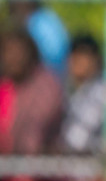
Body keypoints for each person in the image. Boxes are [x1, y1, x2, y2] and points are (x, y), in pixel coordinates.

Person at [0, 29, 63, 161]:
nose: (12, 58)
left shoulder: (46, 86)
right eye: (8, 52)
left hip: (35, 170)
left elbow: (32, 137)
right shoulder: (7, 85)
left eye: (18, 52)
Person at [58, 34, 106, 159]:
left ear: (96, 60)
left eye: (84, 55)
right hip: (66, 165)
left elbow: (78, 140)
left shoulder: (104, 90)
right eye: (75, 55)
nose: (78, 60)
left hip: (93, 164)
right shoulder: (65, 88)